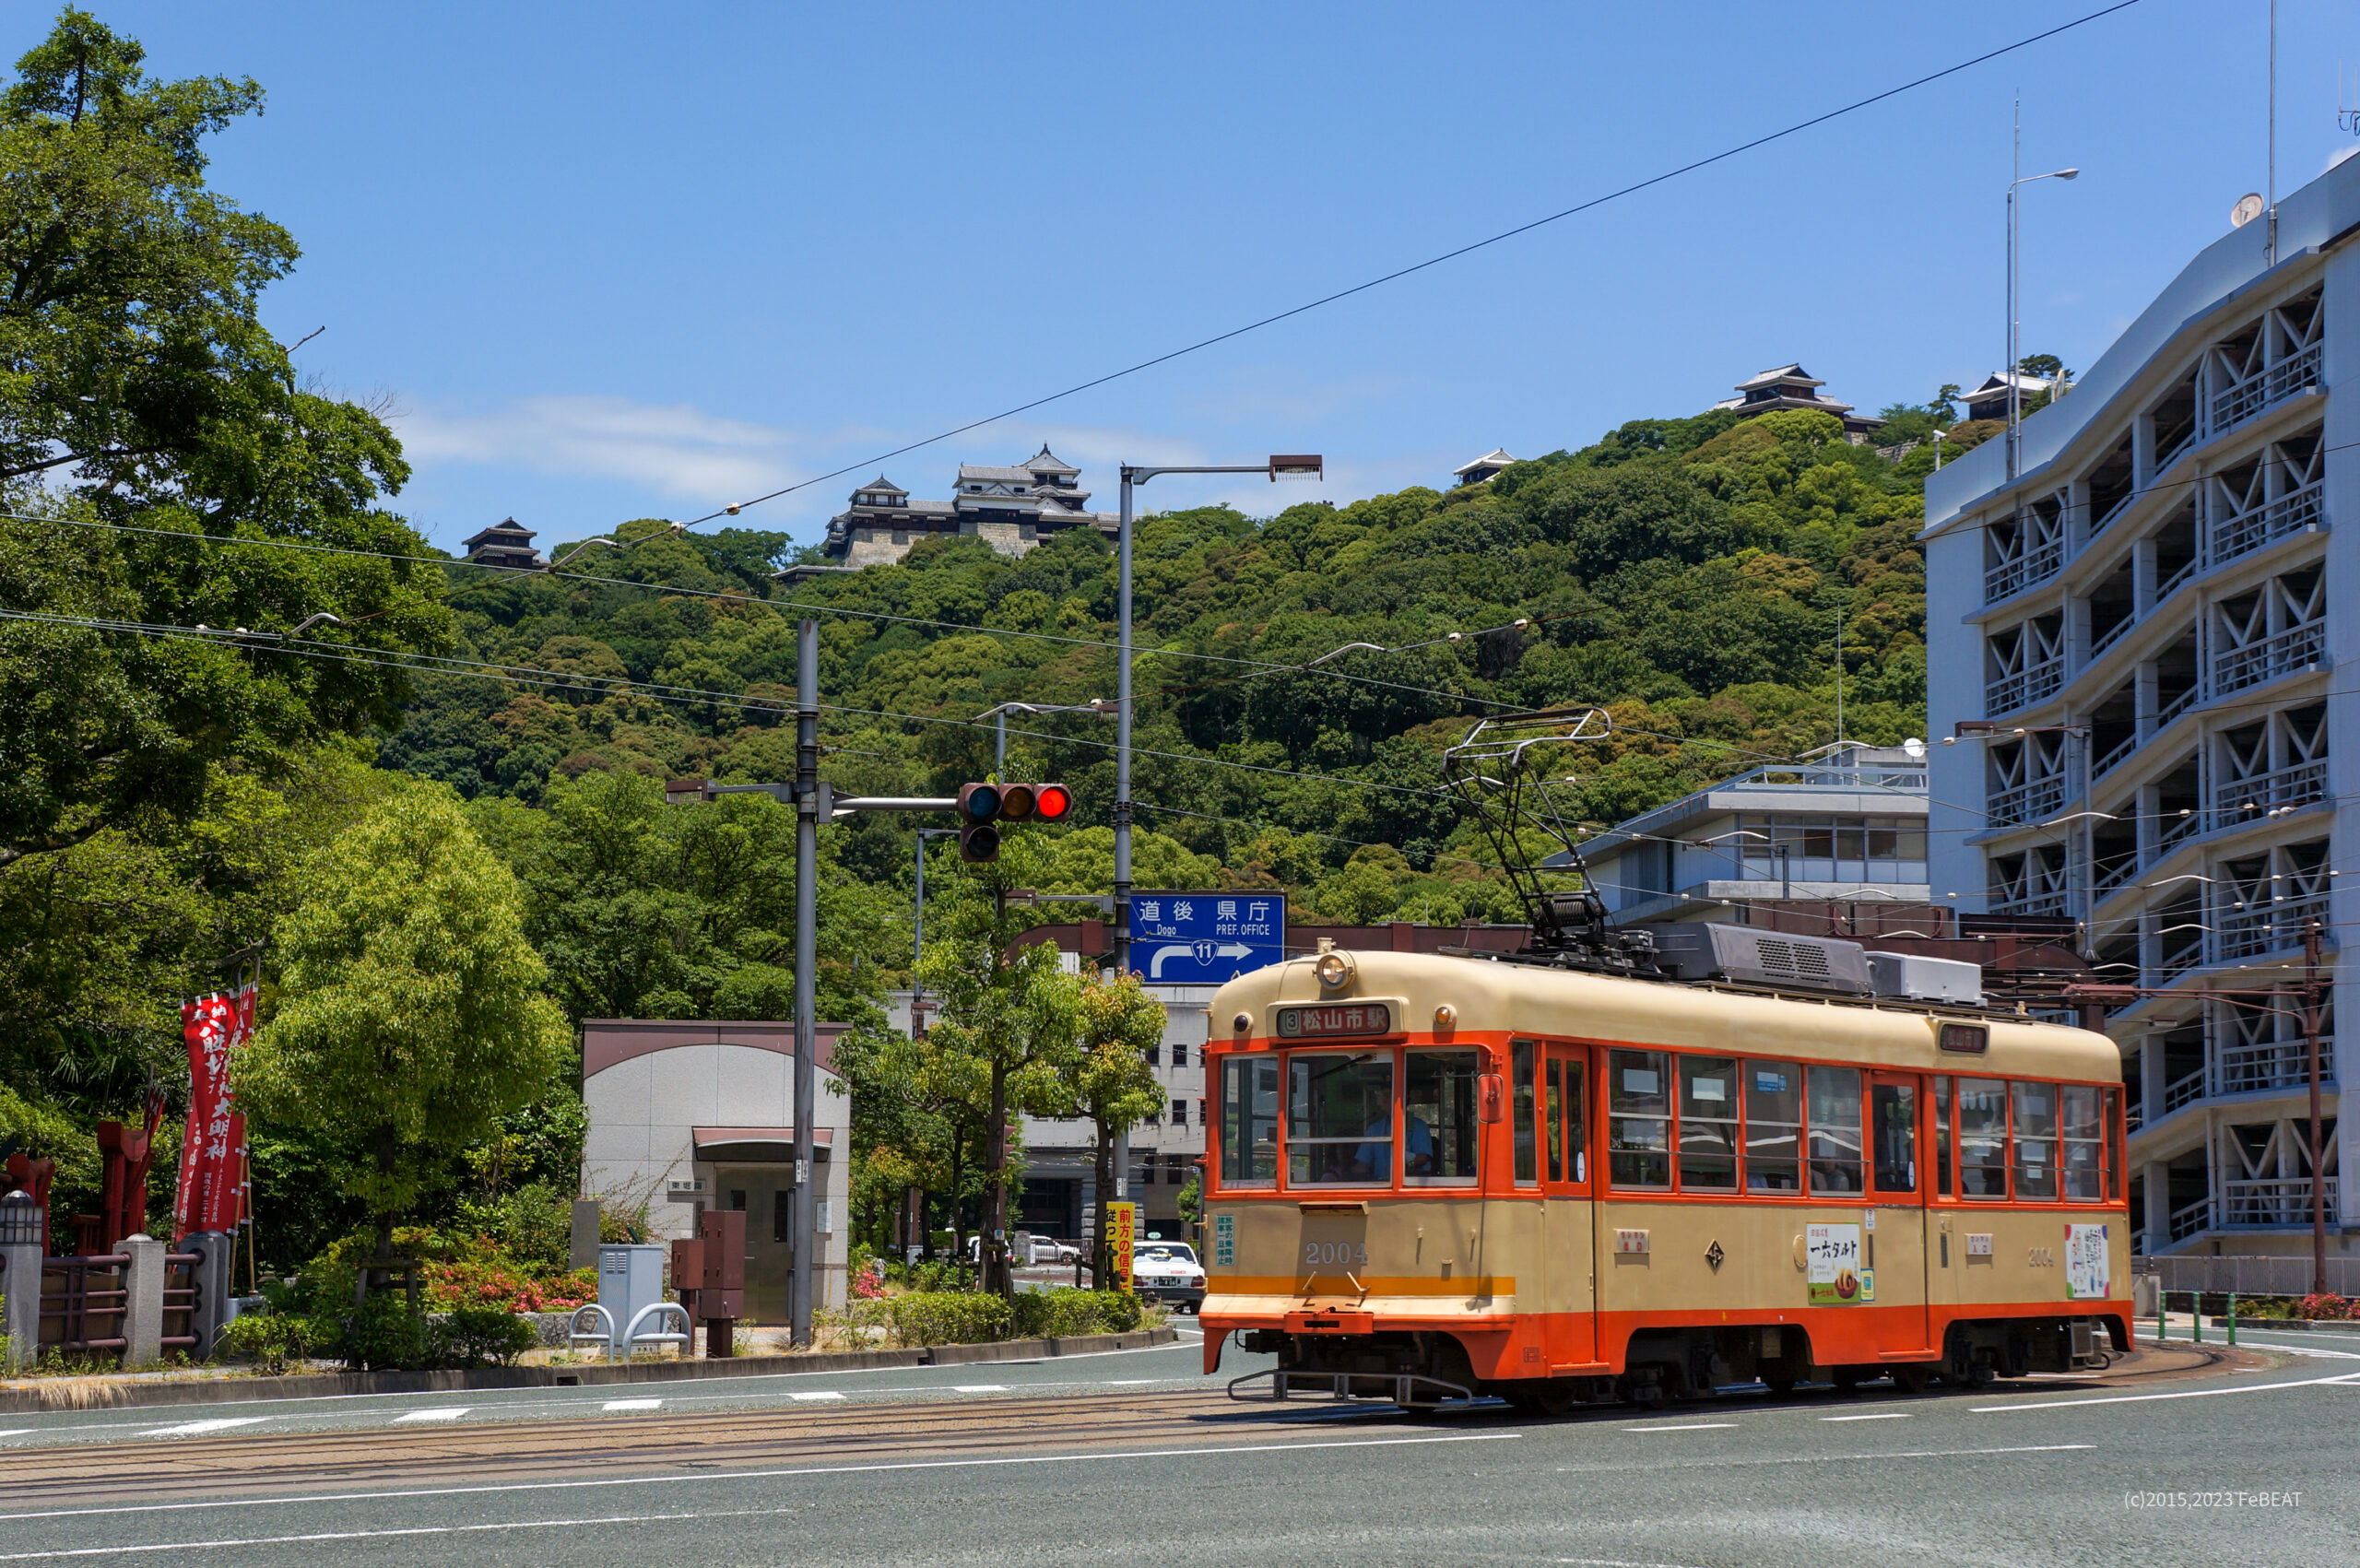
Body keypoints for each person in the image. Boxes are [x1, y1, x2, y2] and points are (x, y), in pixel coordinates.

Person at [1349, 1113, 1434, 1180]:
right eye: (1383, 1094)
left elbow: (1423, 1158)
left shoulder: (1419, 1126)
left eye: (1389, 1095)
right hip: (1380, 1185)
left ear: (1406, 1099)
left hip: (1411, 1185)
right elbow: (1363, 1164)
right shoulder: (1374, 1129)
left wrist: (1408, 1165)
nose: (1385, 1099)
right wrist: (1346, 1176)